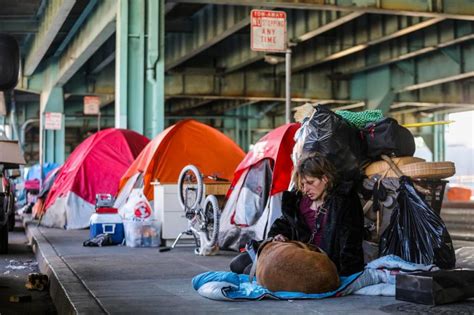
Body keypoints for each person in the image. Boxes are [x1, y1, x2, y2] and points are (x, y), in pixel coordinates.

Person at [230, 153, 365, 277]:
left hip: (317, 260)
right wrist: (277, 236)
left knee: (251, 271)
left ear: (325, 179)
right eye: (303, 184)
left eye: (311, 183)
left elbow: (350, 242)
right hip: (294, 250)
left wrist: (344, 274)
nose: (306, 189)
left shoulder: (344, 201)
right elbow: (284, 223)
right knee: (237, 264)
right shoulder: (299, 199)